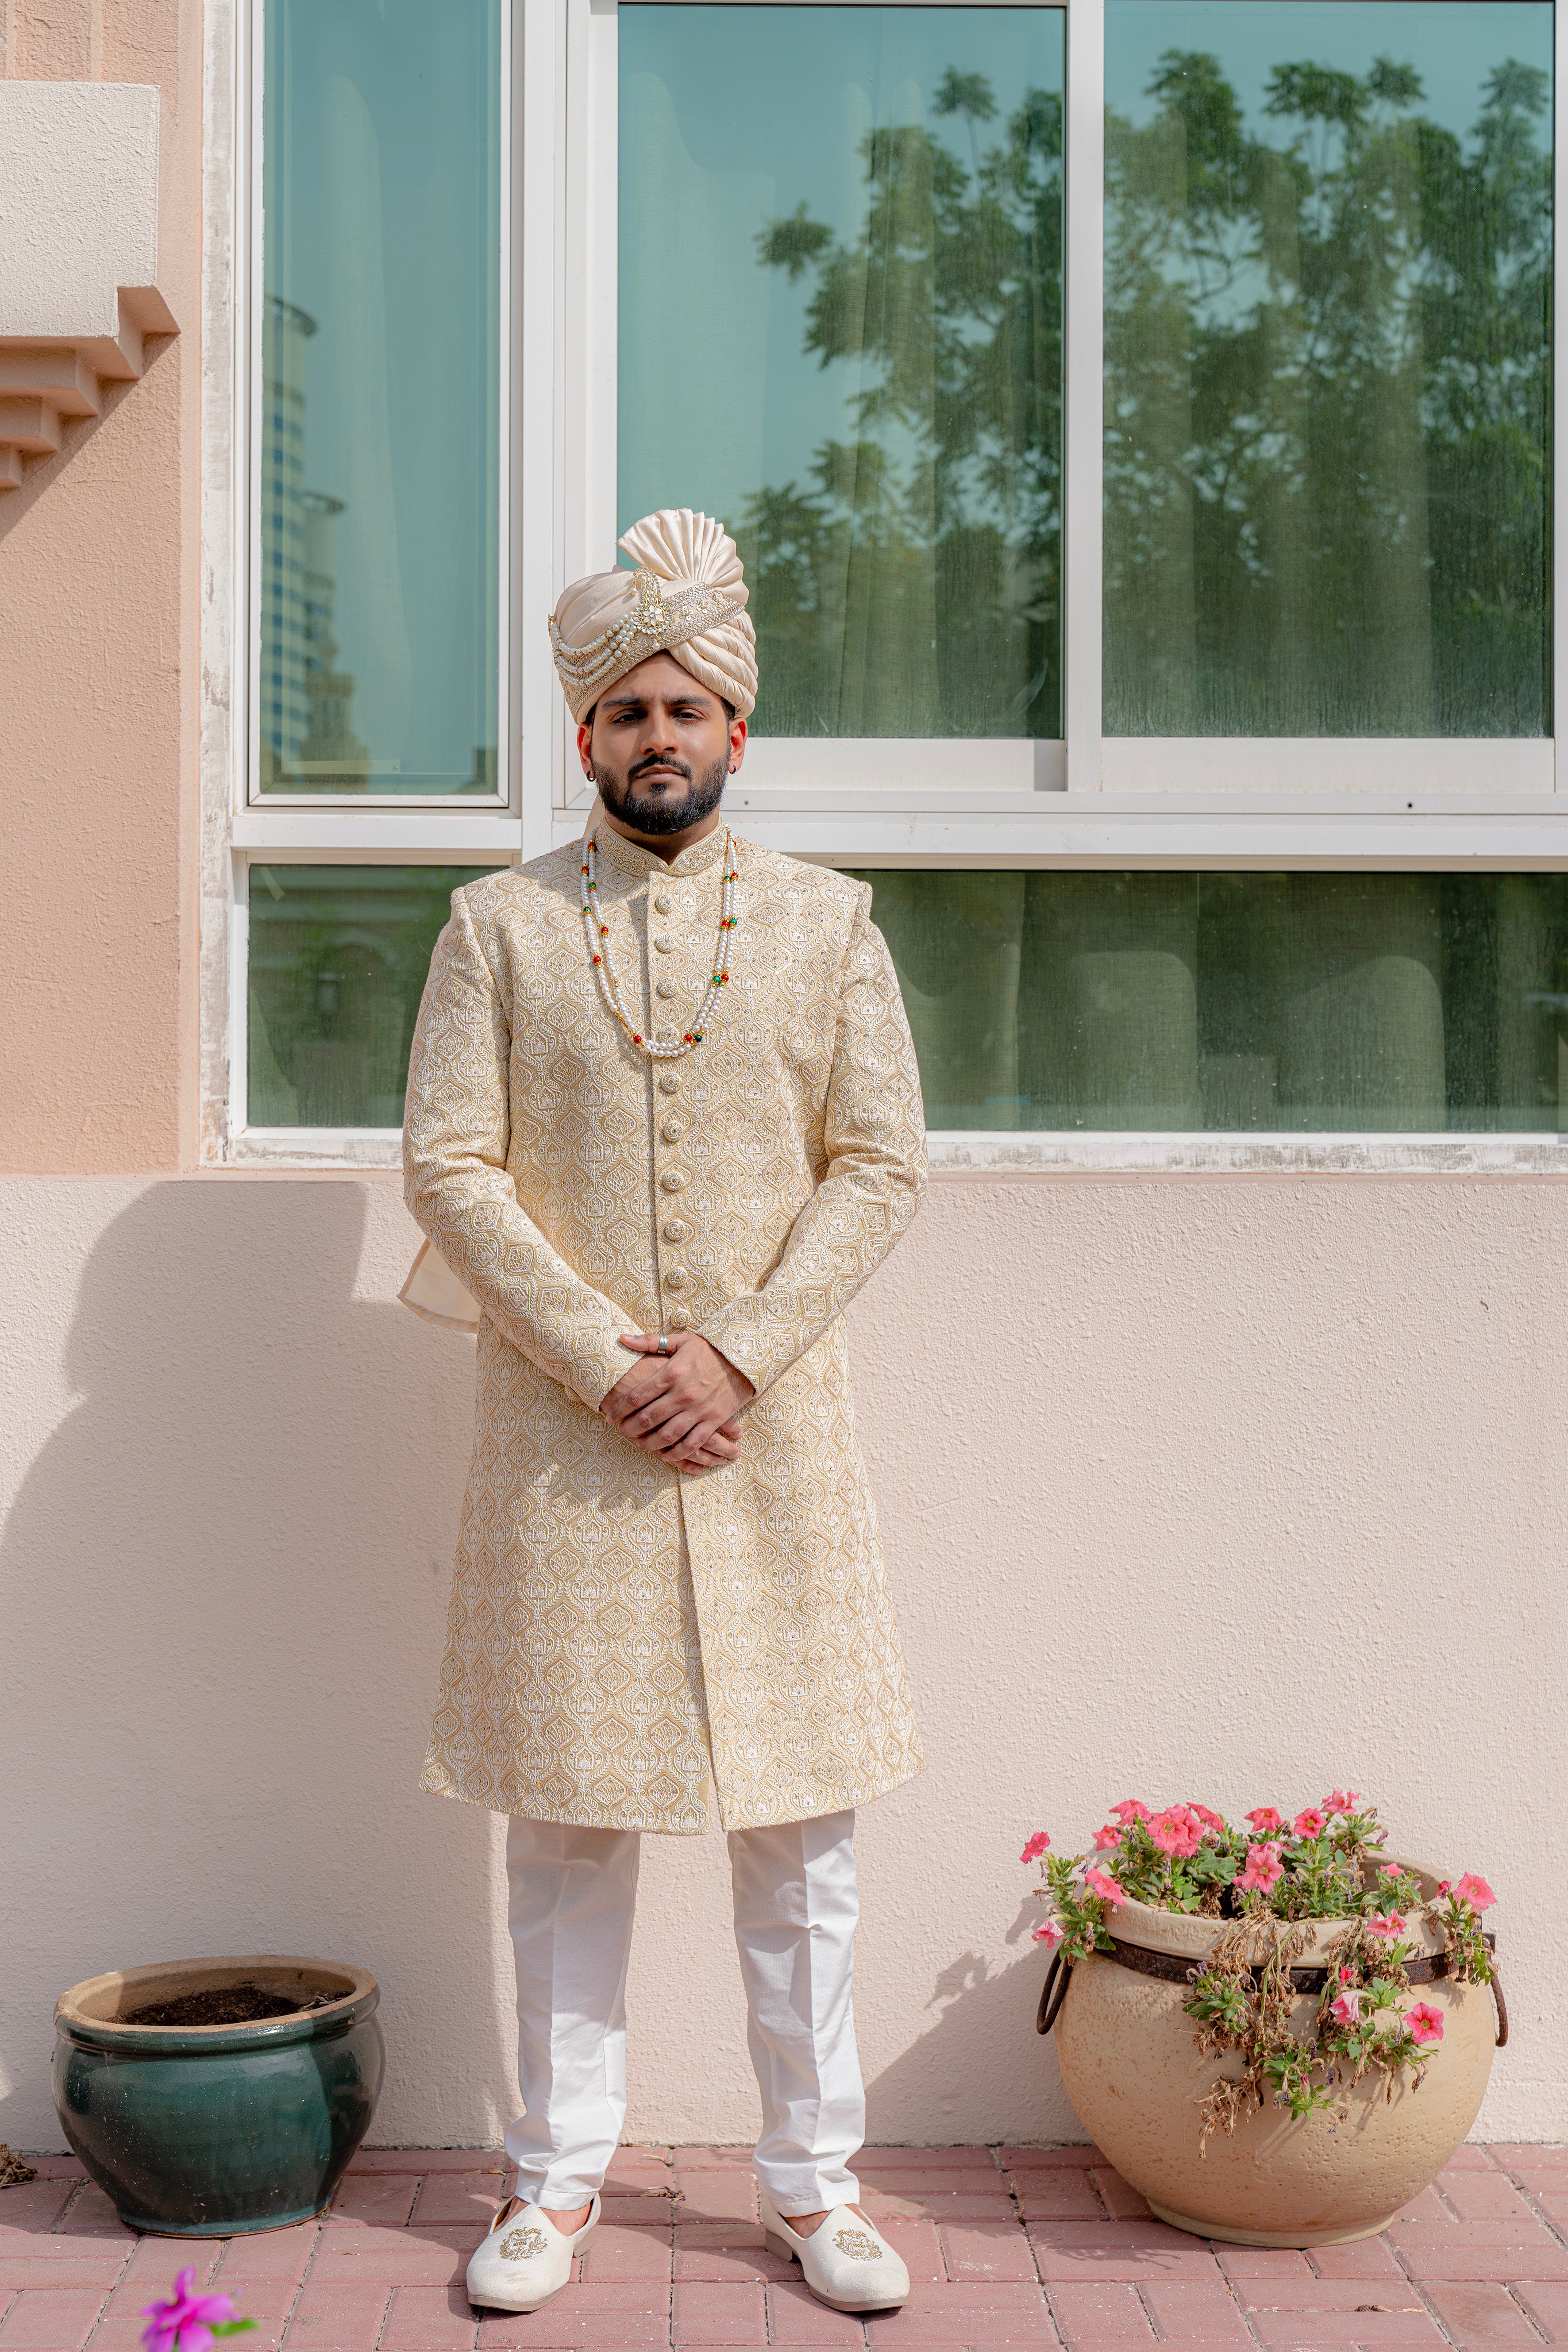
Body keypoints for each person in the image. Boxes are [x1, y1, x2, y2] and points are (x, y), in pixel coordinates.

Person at [401, 507, 927, 2321]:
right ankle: (550, 2192)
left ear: (737, 731)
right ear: (583, 737)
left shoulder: (829, 925)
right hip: (572, 1444)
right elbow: (450, 1169)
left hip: (772, 1438)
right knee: (564, 1830)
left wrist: (739, 1355)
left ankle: (813, 2186)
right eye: (626, 711)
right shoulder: (497, 928)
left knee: (805, 1837)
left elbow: (878, 1167)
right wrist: (613, 1359)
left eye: (686, 708)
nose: (657, 738)